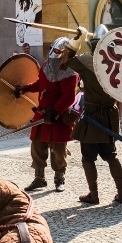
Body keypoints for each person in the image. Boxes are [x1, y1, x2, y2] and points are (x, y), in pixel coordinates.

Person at [61, 25, 122, 205]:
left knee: (88, 158)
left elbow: (65, 61)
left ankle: (94, 194)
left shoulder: (87, 61)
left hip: (93, 117)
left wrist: (76, 41)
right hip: (110, 116)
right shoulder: (118, 64)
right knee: (111, 156)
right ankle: (121, 192)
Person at [15, 37, 79, 192]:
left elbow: (69, 97)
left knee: (58, 150)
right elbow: (41, 84)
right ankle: (39, 179)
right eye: (52, 49)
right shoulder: (46, 65)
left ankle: (59, 179)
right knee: (37, 146)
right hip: (42, 114)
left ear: (66, 53)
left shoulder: (70, 72)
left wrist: (55, 110)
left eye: (57, 51)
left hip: (58, 116)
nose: (53, 53)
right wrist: (26, 88)